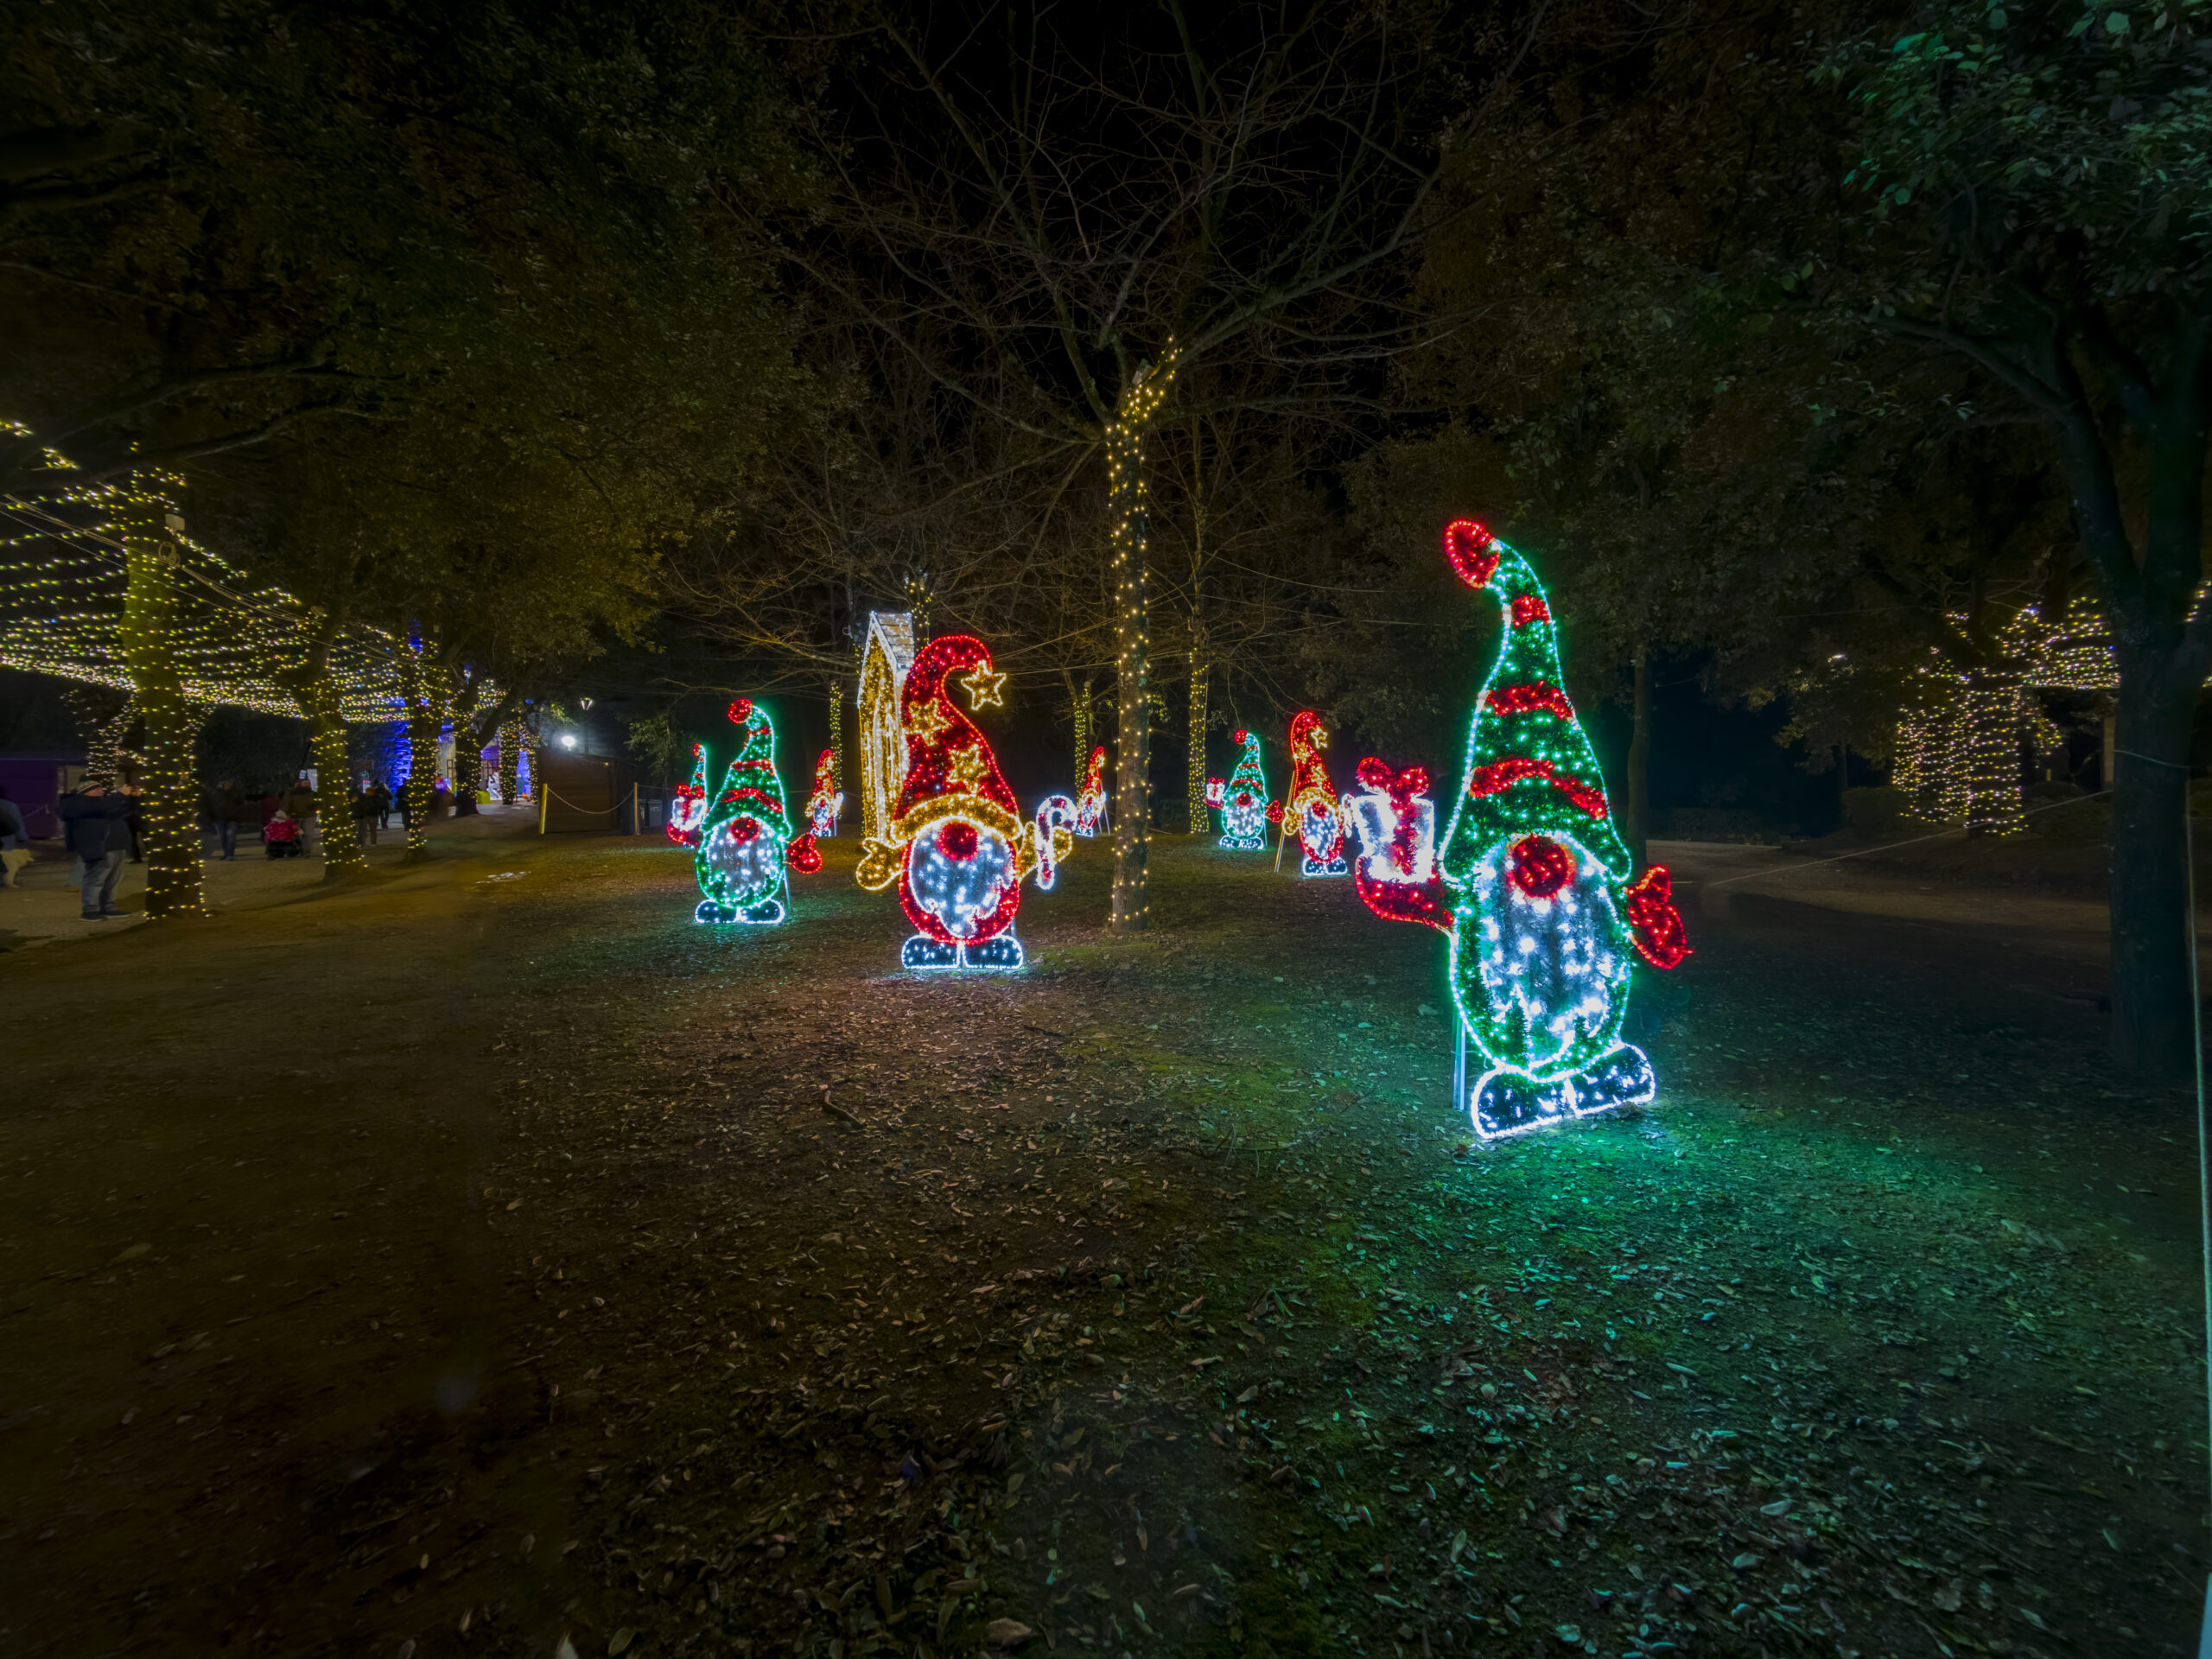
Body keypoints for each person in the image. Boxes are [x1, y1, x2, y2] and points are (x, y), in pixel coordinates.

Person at [57, 778, 137, 919]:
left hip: (116, 846)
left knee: (112, 880)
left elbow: (121, 811)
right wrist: (120, 795)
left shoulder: (100, 805)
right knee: (95, 879)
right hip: (99, 847)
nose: (102, 790)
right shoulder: (78, 804)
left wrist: (133, 798)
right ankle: (90, 910)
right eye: (96, 788)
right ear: (85, 792)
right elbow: (102, 807)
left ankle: (107, 907)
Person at [207, 777, 251, 861]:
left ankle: (230, 854)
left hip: (232, 818)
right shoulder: (216, 793)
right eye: (226, 783)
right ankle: (226, 853)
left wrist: (237, 812)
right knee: (223, 837)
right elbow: (212, 805)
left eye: (229, 782)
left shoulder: (235, 792)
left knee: (230, 835)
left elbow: (241, 804)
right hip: (219, 818)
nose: (228, 784)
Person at [0, 785, 28, 888]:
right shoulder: (10, 805)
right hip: (7, 837)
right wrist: (22, 836)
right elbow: (17, 822)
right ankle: (6, 880)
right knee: (8, 860)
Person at [285, 772, 318, 855]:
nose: (307, 785)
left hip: (309, 815)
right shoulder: (292, 793)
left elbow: (318, 803)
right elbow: (287, 803)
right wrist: (287, 813)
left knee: (308, 833)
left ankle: (306, 850)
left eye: (308, 783)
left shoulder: (313, 794)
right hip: (295, 815)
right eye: (305, 783)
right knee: (295, 833)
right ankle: (296, 849)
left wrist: (314, 808)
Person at [351, 781, 378, 847]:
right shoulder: (365, 797)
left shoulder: (374, 798)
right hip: (366, 815)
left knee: (372, 830)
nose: (369, 793)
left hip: (371, 815)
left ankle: (372, 843)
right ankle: (365, 843)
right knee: (365, 830)